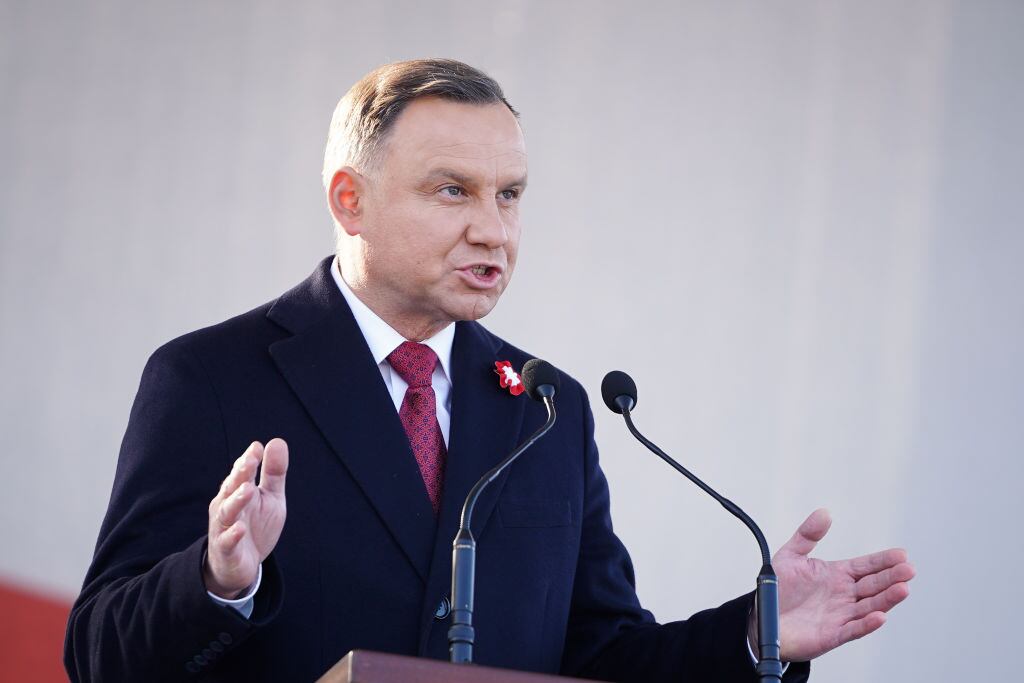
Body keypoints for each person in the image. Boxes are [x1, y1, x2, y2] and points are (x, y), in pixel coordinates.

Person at [64, 59, 914, 683]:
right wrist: (217, 582)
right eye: (452, 191)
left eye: (510, 194)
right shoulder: (211, 378)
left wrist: (756, 635)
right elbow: (97, 654)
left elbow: (603, 654)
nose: (493, 231)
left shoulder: (547, 407)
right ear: (348, 198)